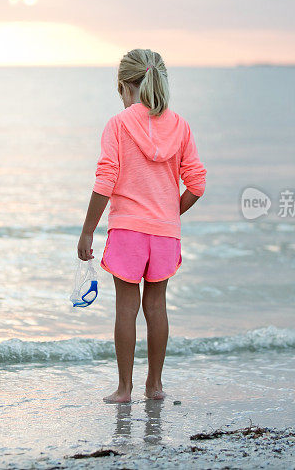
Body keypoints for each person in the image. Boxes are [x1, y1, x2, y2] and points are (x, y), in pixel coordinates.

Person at [77, 48, 207, 403]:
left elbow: (106, 178)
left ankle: (124, 389)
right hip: (165, 233)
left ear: (123, 87)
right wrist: (167, 214)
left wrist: (88, 229)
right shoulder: (180, 125)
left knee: (126, 308)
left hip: (127, 231)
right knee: (157, 306)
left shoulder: (118, 125)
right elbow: (197, 183)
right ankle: (155, 386)